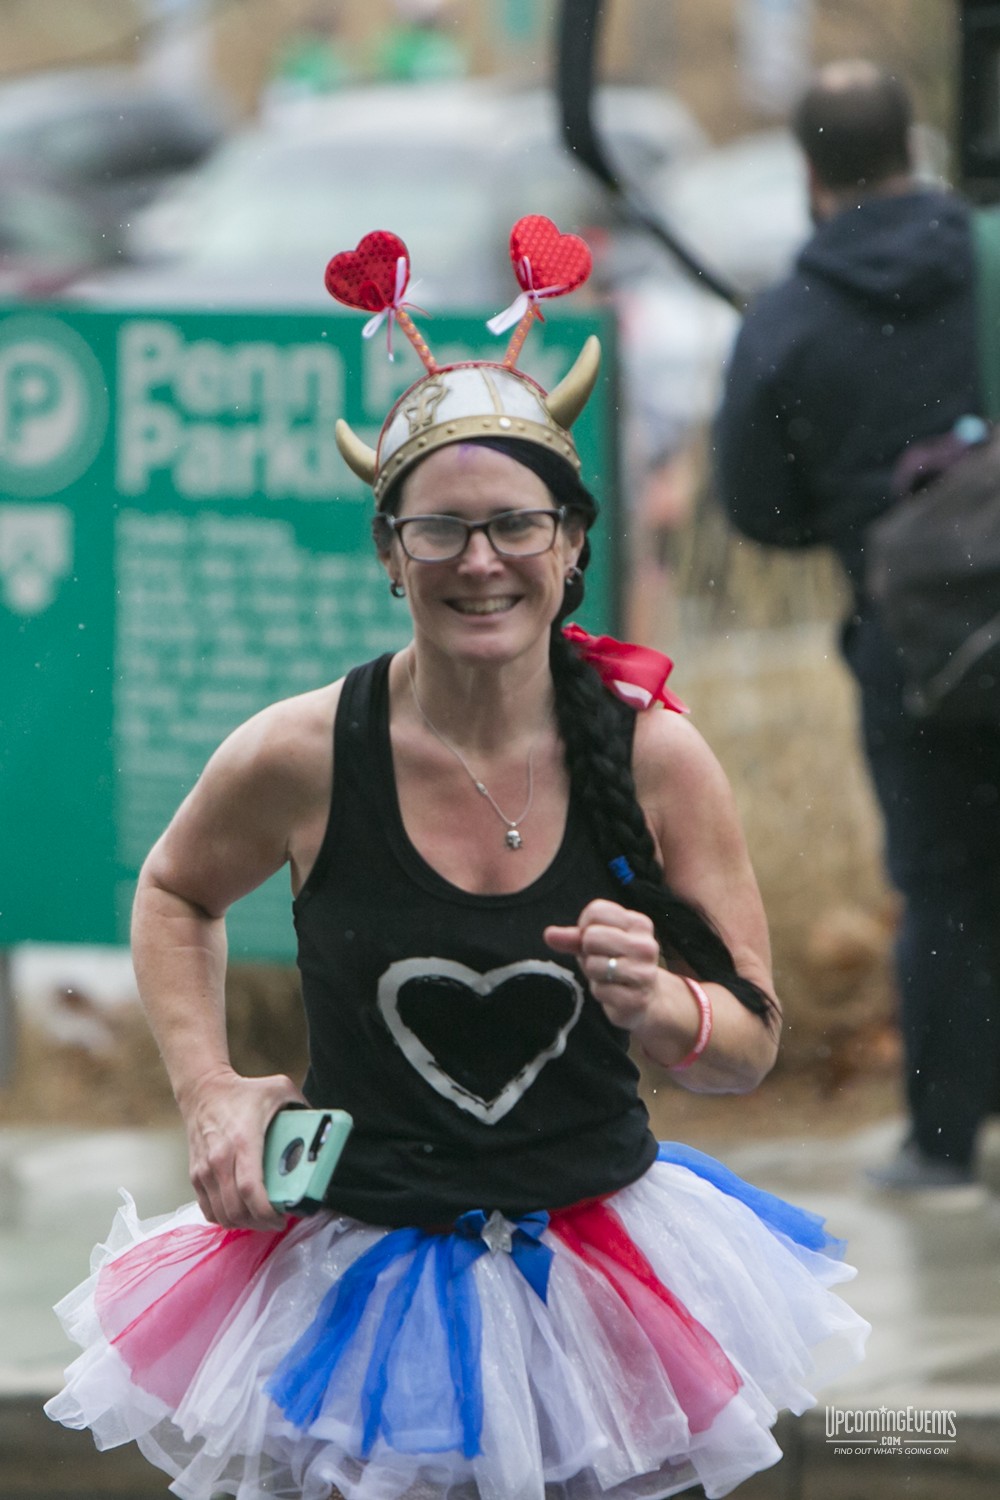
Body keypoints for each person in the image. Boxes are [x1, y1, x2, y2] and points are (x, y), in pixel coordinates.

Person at [45, 223, 867, 1500]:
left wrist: (666, 1008)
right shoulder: (303, 752)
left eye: (513, 527)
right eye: (439, 533)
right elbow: (174, 889)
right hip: (353, 1281)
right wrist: (208, 1088)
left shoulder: (660, 760)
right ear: (388, 554)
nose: (479, 564)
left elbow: (752, 1044)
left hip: (604, 1289)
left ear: (572, 543)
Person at [714, 59, 1000, 1201]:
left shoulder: (787, 318)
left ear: (808, 172)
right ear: (914, 145)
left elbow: (752, 506)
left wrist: (861, 513)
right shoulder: (986, 261)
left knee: (937, 884)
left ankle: (939, 1146)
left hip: (905, 645)